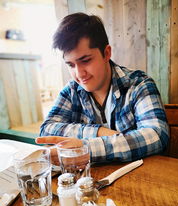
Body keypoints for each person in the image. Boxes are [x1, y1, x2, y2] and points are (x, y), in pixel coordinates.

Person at [36, 12, 169, 164]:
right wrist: (99, 132)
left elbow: (157, 136)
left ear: (106, 53)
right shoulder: (72, 90)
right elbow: (47, 130)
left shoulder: (139, 84)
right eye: (71, 65)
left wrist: (85, 148)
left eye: (85, 60)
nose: (79, 74)